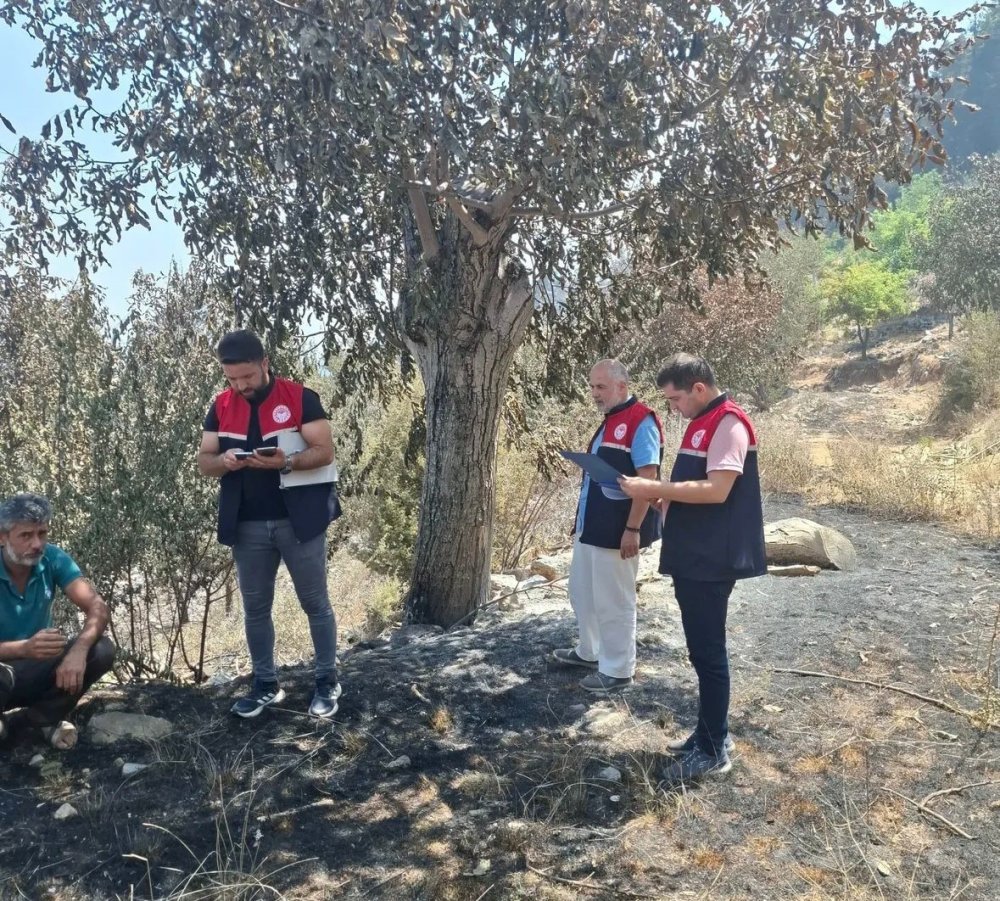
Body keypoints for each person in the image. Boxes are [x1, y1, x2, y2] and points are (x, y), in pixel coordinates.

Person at [619, 353, 766, 784]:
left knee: (709, 653)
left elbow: (719, 491)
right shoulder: (703, 423)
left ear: (699, 388)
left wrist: (653, 488)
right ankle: (708, 733)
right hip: (694, 554)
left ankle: (714, 748)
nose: (674, 408)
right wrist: (668, 500)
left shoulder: (729, 424)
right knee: (701, 652)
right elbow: (697, 488)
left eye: (677, 399)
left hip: (711, 559)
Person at [198, 330, 342, 719]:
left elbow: (325, 452)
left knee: (315, 603)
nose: (241, 385)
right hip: (246, 523)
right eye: (232, 379)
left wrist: (287, 462)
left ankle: (327, 680)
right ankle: (265, 684)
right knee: (256, 608)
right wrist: (224, 462)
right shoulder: (222, 405)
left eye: (247, 376)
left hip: (300, 520)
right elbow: (205, 461)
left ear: (265, 363)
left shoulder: (299, 397)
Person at [553, 359, 664, 693]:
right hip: (593, 525)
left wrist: (632, 529)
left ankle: (617, 670)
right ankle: (591, 652)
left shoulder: (640, 421)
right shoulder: (610, 421)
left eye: (600, 386)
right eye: (591, 386)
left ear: (621, 386)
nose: (594, 393)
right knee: (582, 592)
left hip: (618, 530)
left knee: (614, 600)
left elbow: (648, 479)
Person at [0, 493, 115, 750]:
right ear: (2, 537)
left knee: (101, 650)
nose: (37, 544)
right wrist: (23, 648)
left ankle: (41, 718)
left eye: (42, 533)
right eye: (26, 536)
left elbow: (97, 607)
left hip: (34, 668)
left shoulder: (52, 559)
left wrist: (78, 651)